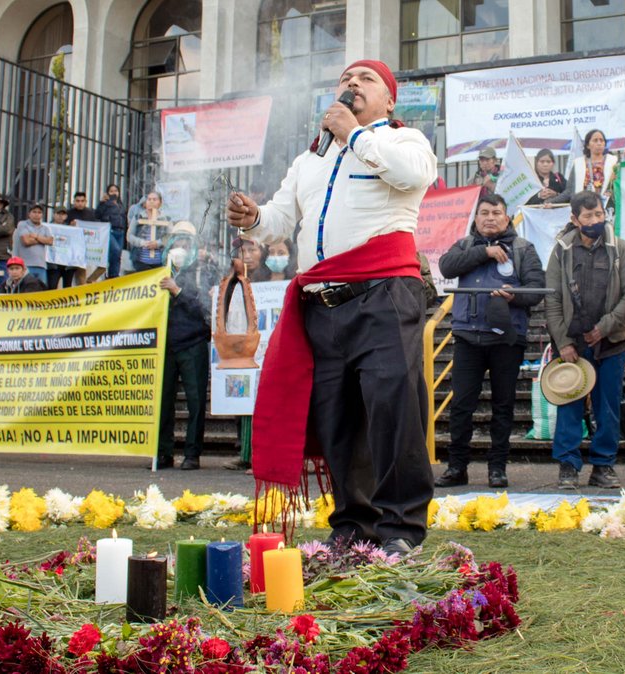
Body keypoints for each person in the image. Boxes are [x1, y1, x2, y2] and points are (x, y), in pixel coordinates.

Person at [225, 58, 437, 556]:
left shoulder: (404, 142)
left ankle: (401, 528)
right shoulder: (310, 160)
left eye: (365, 81)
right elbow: (280, 219)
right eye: (344, 79)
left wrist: (355, 136)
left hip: (383, 294)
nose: (350, 85)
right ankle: (353, 525)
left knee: (393, 410)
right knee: (337, 417)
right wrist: (253, 217)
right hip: (323, 304)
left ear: (389, 100)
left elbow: (411, 176)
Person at [435, 193, 545, 489]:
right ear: (476, 218)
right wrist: (486, 253)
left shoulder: (524, 248)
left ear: (507, 218)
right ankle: (457, 467)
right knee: (460, 406)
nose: (490, 218)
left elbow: (537, 290)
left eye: (496, 212)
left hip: (507, 337)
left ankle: (497, 468)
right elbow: (446, 267)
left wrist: (515, 294)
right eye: (484, 213)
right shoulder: (466, 245)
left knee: (503, 405)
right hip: (468, 336)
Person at [543, 192, 625, 489]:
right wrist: (563, 341)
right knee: (569, 404)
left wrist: (605, 327)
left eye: (599, 214)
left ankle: (604, 465)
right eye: (588, 216)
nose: (595, 221)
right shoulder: (561, 251)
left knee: (608, 406)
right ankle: (568, 465)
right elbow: (552, 300)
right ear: (574, 219)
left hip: (610, 341)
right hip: (573, 344)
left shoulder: (620, 249)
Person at [157, 221, 215, 471]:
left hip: (193, 343)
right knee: (163, 401)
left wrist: (177, 291)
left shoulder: (204, 272)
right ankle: (163, 452)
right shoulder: (159, 271)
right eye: (176, 243)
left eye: (185, 243)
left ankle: (192, 453)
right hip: (166, 345)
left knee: (195, 401)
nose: (180, 248)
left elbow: (203, 307)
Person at [128, 191, 171, 271]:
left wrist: (158, 243)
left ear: (160, 203)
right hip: (140, 261)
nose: (151, 201)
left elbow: (171, 237)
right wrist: (142, 243)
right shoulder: (138, 217)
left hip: (160, 262)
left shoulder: (166, 219)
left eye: (154, 199)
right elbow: (129, 236)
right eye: (149, 199)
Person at [12, 203, 52, 284]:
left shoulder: (45, 228)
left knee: (41, 291)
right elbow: (26, 241)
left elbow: (50, 241)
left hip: (41, 266)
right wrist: (42, 239)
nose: (36, 215)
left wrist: (36, 236)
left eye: (39, 212)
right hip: (26, 265)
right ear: (29, 214)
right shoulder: (23, 224)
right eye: (34, 212)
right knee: (26, 291)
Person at [97, 183, 129, 278]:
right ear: (107, 193)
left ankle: (114, 275)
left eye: (116, 191)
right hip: (110, 230)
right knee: (115, 250)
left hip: (120, 232)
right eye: (111, 191)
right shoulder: (105, 203)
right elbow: (97, 214)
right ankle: (111, 274)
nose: (114, 193)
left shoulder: (121, 204)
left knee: (118, 254)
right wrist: (101, 203)